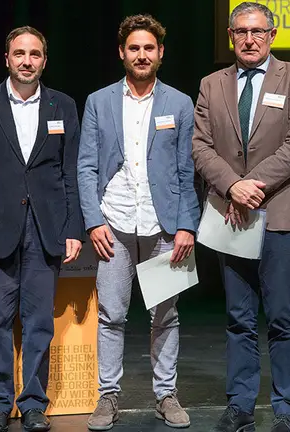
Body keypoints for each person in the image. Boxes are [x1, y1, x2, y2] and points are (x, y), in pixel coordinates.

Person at [191, 2, 290, 431]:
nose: (249, 39)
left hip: (277, 213)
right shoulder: (211, 84)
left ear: (272, 35)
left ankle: (285, 410)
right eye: (241, 32)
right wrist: (232, 186)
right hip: (231, 216)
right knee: (238, 317)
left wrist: (251, 186)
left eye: (258, 31)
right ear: (230, 36)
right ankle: (240, 405)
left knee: (282, 316)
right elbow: (201, 147)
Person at [0, 26, 83, 432]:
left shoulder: (63, 105)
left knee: (40, 322)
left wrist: (73, 228)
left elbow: (72, 173)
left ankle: (32, 404)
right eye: (19, 54)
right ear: (6, 58)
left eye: (35, 54)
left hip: (46, 231)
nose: (27, 61)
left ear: (45, 60)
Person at [77, 14, 200, 431]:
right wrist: (93, 221)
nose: (142, 54)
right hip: (114, 224)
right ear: (122, 53)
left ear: (160, 53)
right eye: (134, 48)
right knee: (111, 314)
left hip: (165, 226)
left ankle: (166, 394)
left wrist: (188, 225)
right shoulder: (99, 101)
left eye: (149, 48)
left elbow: (188, 171)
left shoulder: (180, 104)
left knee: (165, 314)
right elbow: (86, 167)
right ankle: (107, 396)